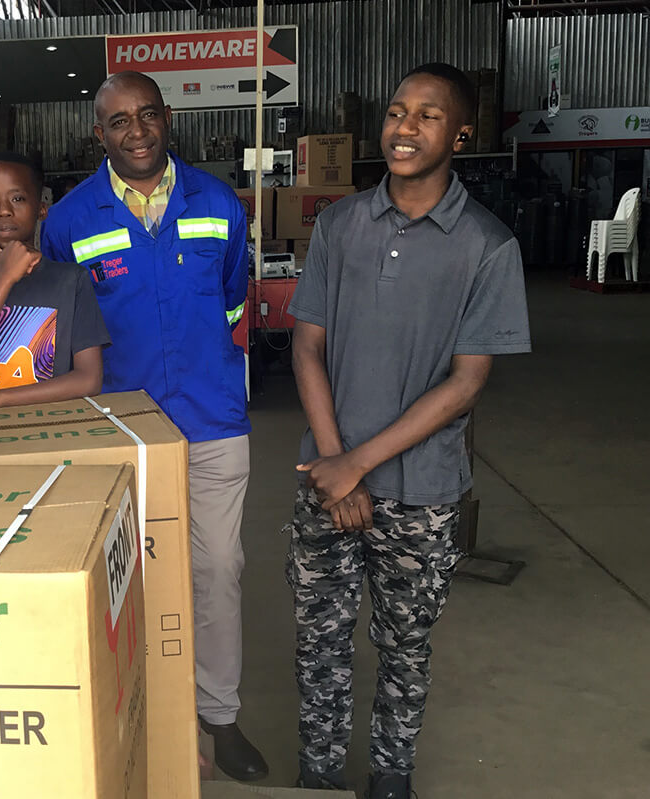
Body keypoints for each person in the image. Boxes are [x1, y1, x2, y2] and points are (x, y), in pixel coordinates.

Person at [285, 63, 530, 798]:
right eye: (396, 112)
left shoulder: (486, 246)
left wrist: (356, 463)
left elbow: (466, 382)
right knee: (319, 644)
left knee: (405, 649)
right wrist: (335, 462)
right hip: (325, 479)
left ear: (460, 133)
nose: (405, 127)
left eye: (427, 115)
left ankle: (391, 779)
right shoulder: (339, 224)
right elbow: (306, 346)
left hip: (421, 494)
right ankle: (320, 775)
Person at [40, 72, 265, 782]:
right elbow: (58, 329)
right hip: (117, 427)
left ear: (167, 119)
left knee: (218, 569)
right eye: (118, 121)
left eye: (147, 115)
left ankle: (219, 716)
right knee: (122, 575)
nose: (136, 131)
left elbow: (233, 299)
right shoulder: (69, 221)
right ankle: (132, 707)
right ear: (97, 134)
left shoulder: (219, 203)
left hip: (210, 418)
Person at [0, 152, 109, 412]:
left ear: (41, 209)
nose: (4, 210)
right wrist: (4, 279)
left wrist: (0, 398)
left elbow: (90, 379)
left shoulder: (72, 280)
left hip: (52, 426)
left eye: (17, 198)